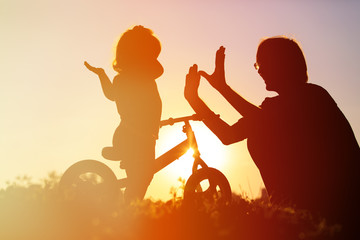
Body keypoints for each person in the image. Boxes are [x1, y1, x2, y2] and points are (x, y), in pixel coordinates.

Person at [184, 37, 360, 236]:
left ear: (283, 64)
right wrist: (194, 99)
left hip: (337, 216)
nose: (259, 70)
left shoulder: (314, 96)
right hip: (298, 219)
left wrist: (222, 88)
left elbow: (265, 120)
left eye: (263, 63)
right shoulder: (271, 109)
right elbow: (228, 135)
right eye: (257, 65)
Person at [85, 25, 163, 204]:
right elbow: (113, 95)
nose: (154, 60)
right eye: (150, 55)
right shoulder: (139, 77)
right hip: (135, 136)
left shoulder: (139, 76)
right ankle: (126, 210)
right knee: (142, 178)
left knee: (140, 178)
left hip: (139, 135)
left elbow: (112, 95)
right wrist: (102, 75)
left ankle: (127, 208)